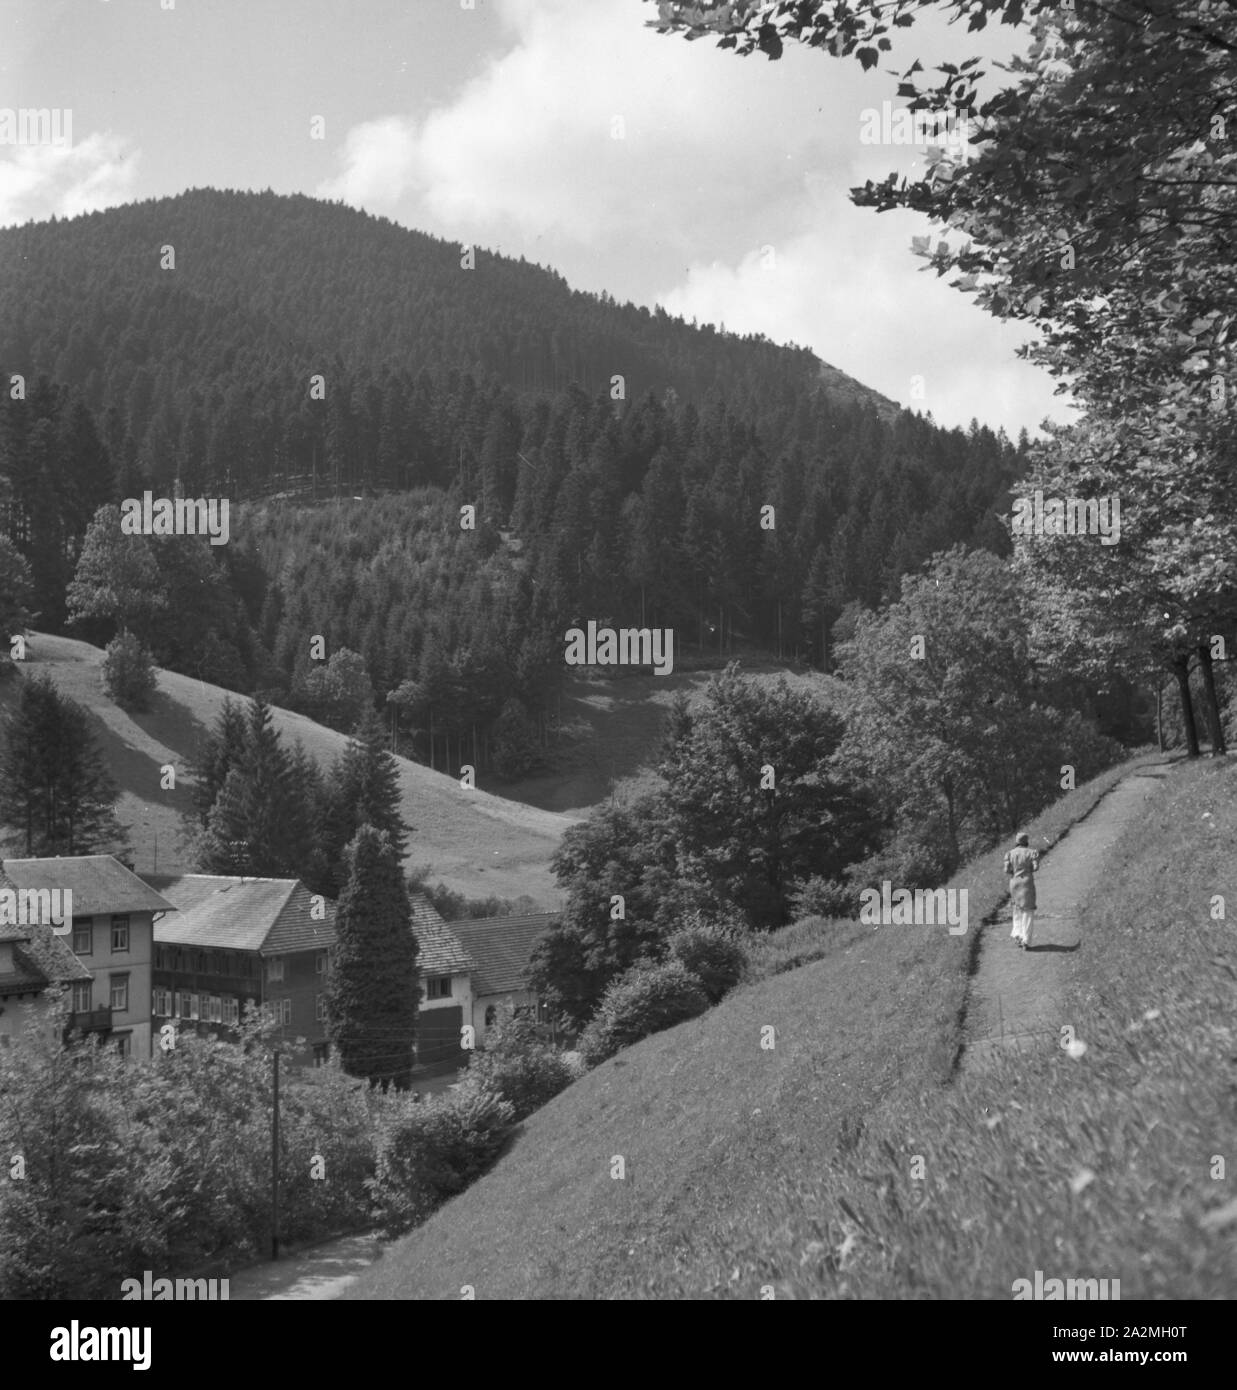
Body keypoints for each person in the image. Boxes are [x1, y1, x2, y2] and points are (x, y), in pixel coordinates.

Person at [1003, 831, 1040, 950]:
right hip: (1027, 882)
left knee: (1017, 909)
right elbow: (1036, 867)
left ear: (1016, 842)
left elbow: (1006, 870)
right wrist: (1028, 868)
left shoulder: (1009, 854)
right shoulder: (1032, 852)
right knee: (1028, 910)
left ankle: (1017, 934)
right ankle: (1026, 940)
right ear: (1027, 842)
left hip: (1014, 883)